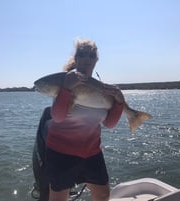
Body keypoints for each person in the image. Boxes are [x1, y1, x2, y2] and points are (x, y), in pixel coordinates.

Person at [45, 38, 124, 201]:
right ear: (76, 58)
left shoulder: (102, 88)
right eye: (82, 54)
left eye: (91, 54)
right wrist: (66, 89)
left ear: (96, 59)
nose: (87, 58)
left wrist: (120, 102)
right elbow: (58, 118)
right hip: (61, 152)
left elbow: (109, 124)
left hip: (92, 151)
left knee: (103, 195)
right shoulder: (65, 81)